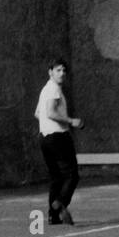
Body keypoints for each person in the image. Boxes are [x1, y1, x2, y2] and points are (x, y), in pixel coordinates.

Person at [35, 58, 83, 225]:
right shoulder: (54, 89)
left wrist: (47, 124)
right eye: (58, 70)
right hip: (58, 136)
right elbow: (50, 113)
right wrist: (71, 121)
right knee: (72, 175)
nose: (62, 73)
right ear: (50, 72)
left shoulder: (45, 90)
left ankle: (53, 216)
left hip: (44, 137)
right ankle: (60, 203)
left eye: (64, 70)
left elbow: (38, 113)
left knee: (56, 177)